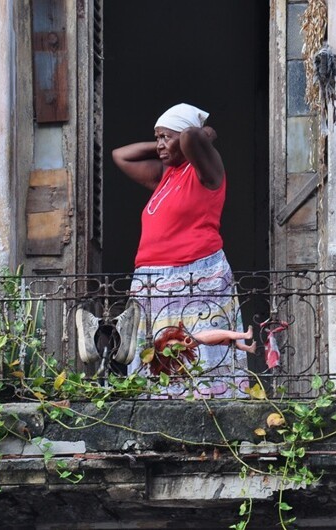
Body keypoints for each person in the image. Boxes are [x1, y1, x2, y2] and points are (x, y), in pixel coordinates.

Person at [112, 103, 249, 397]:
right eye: (157, 138)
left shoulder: (205, 172)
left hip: (197, 274)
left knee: (199, 352)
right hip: (153, 281)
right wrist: (165, 142)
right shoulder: (166, 176)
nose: (160, 145)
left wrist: (203, 134)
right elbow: (120, 155)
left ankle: (214, 408)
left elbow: (189, 136)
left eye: (165, 138)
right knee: (158, 355)